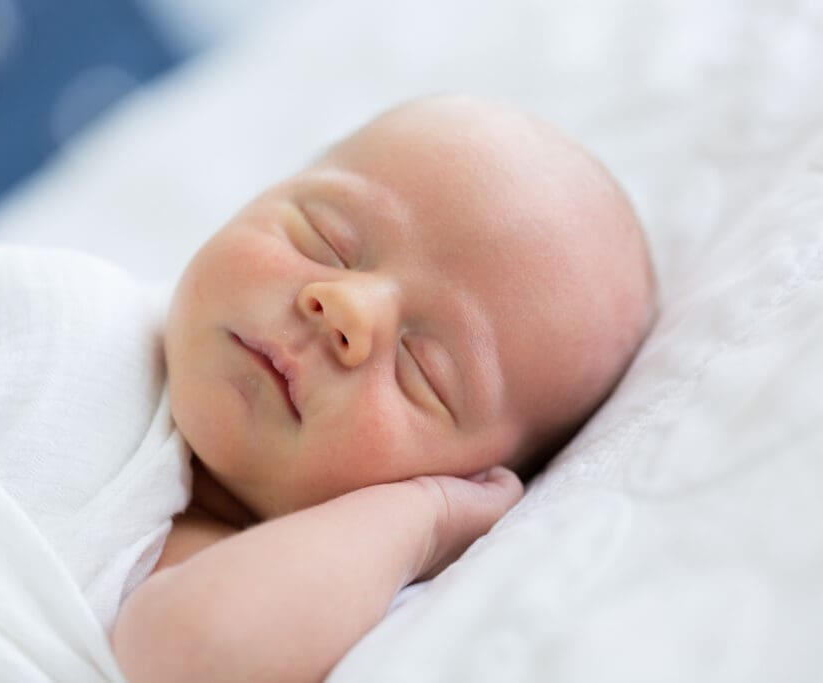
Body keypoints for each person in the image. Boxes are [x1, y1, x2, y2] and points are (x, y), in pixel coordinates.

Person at [111, 95, 658, 681]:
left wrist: (425, 520)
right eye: (328, 240)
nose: (347, 308)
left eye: (421, 370)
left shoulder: (227, 573)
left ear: (463, 478)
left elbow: (195, 651)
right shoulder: (94, 312)